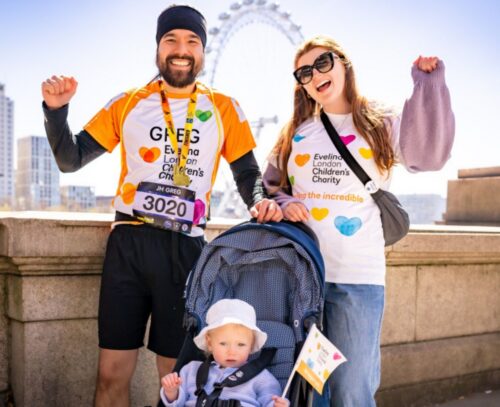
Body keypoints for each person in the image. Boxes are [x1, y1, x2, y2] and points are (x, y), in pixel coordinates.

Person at [40, 5, 282, 406]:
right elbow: (71, 158)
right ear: (158, 48)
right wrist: (56, 110)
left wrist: (261, 203)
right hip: (129, 245)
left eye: (191, 41)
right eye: (171, 39)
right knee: (110, 373)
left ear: (203, 51)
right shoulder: (129, 102)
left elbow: (246, 174)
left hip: (186, 252)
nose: (181, 49)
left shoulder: (224, 107)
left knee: (177, 378)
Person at [263, 35, 454, 406]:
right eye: (304, 72)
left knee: (352, 390)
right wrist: (284, 203)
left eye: (323, 63)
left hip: (358, 280)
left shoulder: (380, 123)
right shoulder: (295, 132)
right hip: (303, 281)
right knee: (308, 389)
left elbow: (426, 157)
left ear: (343, 64)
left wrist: (427, 84)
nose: (315, 74)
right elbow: (270, 186)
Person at [160, 299, 289, 407]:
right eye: (223, 344)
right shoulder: (191, 370)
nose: (231, 351)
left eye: (241, 345)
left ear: (251, 346)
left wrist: (278, 405)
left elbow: (270, 400)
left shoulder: (261, 378)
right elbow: (177, 403)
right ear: (210, 343)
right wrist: (172, 392)